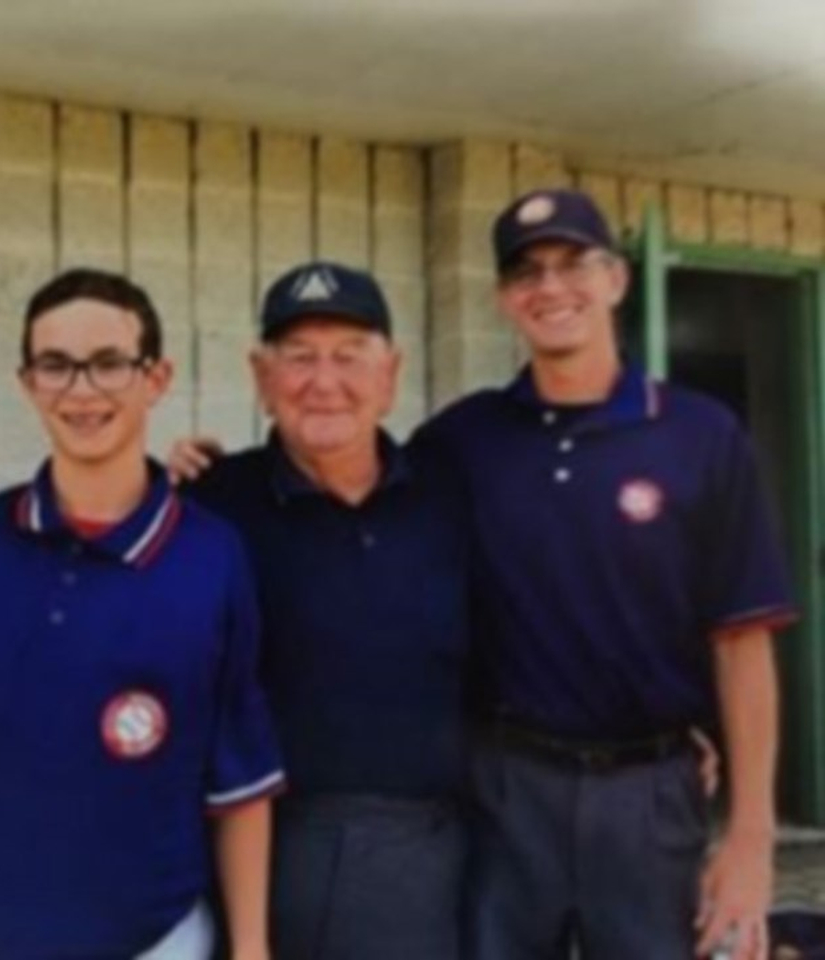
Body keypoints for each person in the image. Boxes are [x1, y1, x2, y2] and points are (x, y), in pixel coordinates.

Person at [0, 268, 284, 960]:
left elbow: (241, 786)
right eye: (56, 366)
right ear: (27, 383)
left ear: (156, 379)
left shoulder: (214, 558)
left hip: (146, 941)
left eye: (108, 364)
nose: (81, 391)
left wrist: (251, 950)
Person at [415, 188, 796, 960]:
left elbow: (742, 643)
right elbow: (354, 502)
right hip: (505, 788)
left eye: (573, 264)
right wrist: (215, 474)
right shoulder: (463, 440)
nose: (551, 288)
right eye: (527, 272)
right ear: (504, 299)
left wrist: (752, 838)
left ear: (616, 279)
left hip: (650, 794)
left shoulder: (700, 435)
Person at [172, 261, 471, 959]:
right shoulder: (210, 506)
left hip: (423, 854)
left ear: (390, 373)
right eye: (299, 358)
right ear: (261, 377)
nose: (324, 381)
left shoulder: (451, 495)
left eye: (349, 356)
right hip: (257, 846)